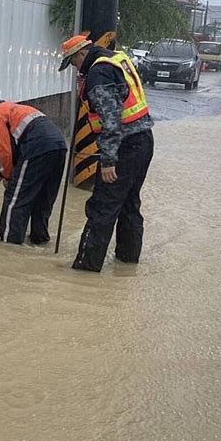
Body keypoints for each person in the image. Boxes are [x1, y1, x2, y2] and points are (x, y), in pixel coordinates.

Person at [59, 35, 154, 272]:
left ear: (82, 54)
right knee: (129, 204)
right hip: (143, 141)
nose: (75, 69)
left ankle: (85, 271)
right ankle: (127, 262)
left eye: (73, 63)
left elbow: (111, 120)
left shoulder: (98, 73)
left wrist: (109, 160)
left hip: (124, 147)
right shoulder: (116, 59)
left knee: (102, 207)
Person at [0, 92, 67, 245]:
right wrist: (2, 175)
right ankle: (39, 239)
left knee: (15, 198)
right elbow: (17, 150)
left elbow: (5, 151)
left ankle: (9, 244)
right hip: (59, 147)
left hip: (37, 147)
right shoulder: (13, 108)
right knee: (43, 197)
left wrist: (10, 178)